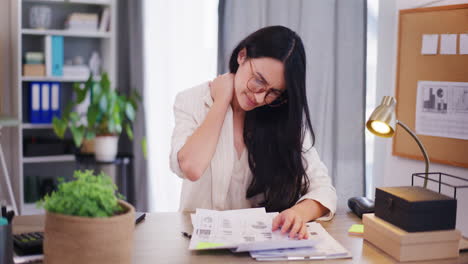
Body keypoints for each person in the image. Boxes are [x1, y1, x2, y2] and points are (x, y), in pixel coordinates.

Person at [170, 26, 337, 240]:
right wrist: (220, 102)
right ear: (242, 56)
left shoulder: (282, 118)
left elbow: (323, 188)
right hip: (197, 245)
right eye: (259, 80)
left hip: (261, 248)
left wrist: (298, 213)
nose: (259, 98)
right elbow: (191, 167)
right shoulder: (191, 101)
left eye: (274, 92)